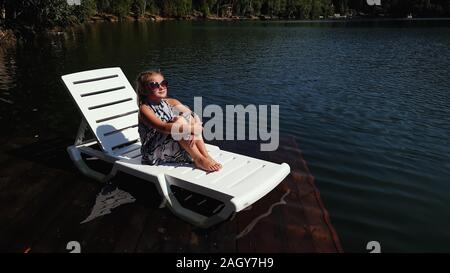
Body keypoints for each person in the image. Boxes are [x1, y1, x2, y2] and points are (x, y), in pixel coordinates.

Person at [136, 70, 222, 172]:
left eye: (164, 83)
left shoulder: (171, 102)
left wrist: (194, 128)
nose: (161, 87)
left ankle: (205, 155)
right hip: (154, 151)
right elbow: (163, 127)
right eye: (154, 85)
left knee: (186, 117)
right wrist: (191, 128)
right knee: (179, 120)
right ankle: (198, 158)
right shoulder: (145, 109)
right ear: (144, 90)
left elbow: (192, 114)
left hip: (172, 143)